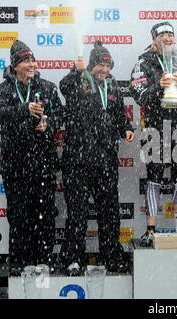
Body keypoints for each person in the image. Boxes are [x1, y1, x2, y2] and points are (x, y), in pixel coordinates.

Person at [59, 41, 135, 275]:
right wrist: (76, 70)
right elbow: (64, 87)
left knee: (110, 212)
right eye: (100, 65)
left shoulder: (112, 85)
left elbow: (119, 113)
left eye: (107, 65)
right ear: (91, 66)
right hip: (78, 161)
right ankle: (73, 259)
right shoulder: (78, 80)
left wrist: (126, 128)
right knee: (78, 214)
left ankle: (111, 256)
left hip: (105, 159)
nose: (104, 70)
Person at [0, 40, 62, 276]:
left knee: (45, 215)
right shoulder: (3, 89)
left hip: (43, 165)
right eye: (25, 61)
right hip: (15, 166)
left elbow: (61, 115)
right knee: (19, 217)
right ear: (15, 65)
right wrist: (24, 109)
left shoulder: (47, 87)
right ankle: (19, 263)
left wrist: (48, 124)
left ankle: (45, 260)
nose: (31, 64)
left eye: (32, 60)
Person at [129, 22, 177, 247]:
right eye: (163, 36)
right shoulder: (143, 62)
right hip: (154, 128)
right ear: (154, 41)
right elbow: (139, 96)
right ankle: (151, 229)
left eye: (171, 35)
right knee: (154, 176)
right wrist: (158, 86)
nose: (168, 39)